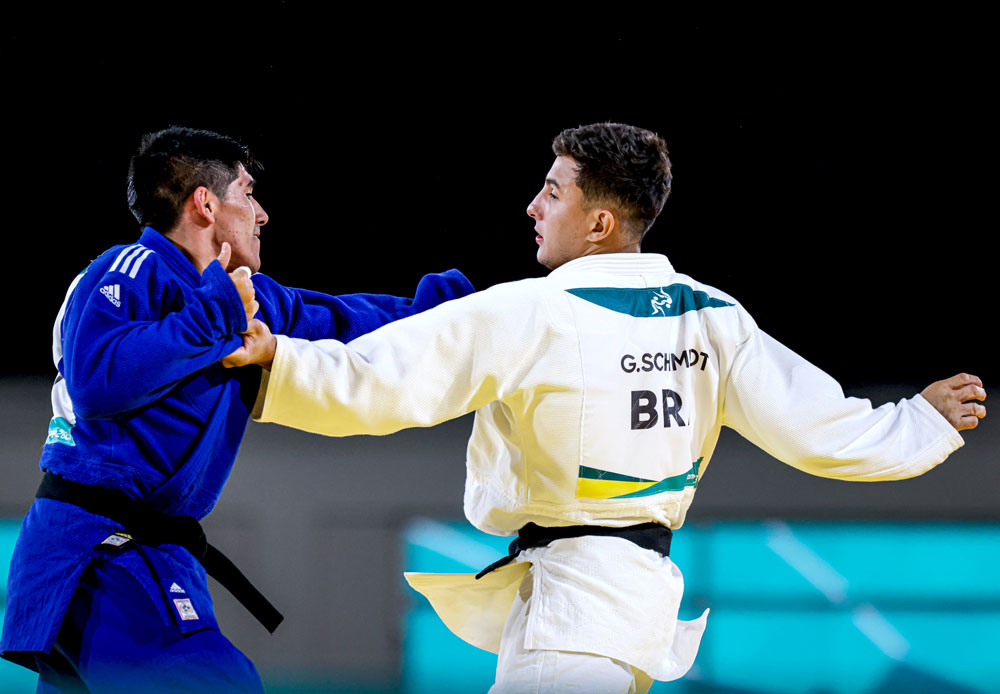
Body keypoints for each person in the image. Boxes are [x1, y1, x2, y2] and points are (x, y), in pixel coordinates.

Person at [224, 122, 986, 693]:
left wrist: (276, 365)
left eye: (551, 192)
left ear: (599, 223)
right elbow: (816, 426)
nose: (532, 207)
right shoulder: (712, 316)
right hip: (639, 612)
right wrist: (916, 423)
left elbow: (386, 379)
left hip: (571, 620)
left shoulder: (536, 312)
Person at [0, 126, 474, 693]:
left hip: (148, 554)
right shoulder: (127, 269)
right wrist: (215, 315)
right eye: (247, 193)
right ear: (205, 202)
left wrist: (447, 315)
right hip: (97, 550)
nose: (262, 213)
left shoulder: (249, 296)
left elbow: (343, 322)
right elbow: (101, 381)